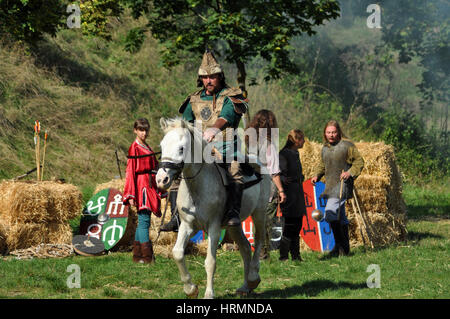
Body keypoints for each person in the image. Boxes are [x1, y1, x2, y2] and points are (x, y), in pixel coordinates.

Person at [179, 49, 249, 227]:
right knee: (177, 176)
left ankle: (233, 213)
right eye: (205, 77)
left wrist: (213, 130)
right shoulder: (193, 99)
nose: (208, 81)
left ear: (220, 76)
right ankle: (175, 217)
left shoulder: (231, 95)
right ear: (200, 79)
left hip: (227, 148)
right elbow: (185, 124)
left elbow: (226, 116)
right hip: (200, 151)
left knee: (235, 172)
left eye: (213, 76)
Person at [311, 120, 364, 257]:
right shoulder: (325, 148)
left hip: (342, 185)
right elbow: (322, 165)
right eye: (328, 132)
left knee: (330, 213)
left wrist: (349, 172)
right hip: (330, 185)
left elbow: (359, 162)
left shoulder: (347, 146)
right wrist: (317, 175)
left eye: (334, 132)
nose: (331, 135)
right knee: (341, 218)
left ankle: (340, 246)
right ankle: (343, 249)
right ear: (325, 133)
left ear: (338, 132)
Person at [245, 109, 286, 260]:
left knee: (257, 221)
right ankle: (263, 254)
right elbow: (274, 171)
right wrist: (281, 190)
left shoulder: (249, 142)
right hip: (267, 188)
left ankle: (259, 253)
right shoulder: (269, 145)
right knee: (266, 222)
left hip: (253, 186)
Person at [123, 118, 166, 264]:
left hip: (149, 184)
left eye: (146, 130)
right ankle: (147, 257)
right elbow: (130, 172)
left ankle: (138, 256)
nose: (144, 133)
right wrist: (130, 194)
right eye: (141, 130)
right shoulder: (134, 147)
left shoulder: (146, 146)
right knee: (144, 221)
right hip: (141, 186)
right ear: (135, 130)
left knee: (142, 221)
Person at [278, 129, 307, 261]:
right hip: (289, 193)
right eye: (301, 139)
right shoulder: (284, 154)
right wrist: (284, 180)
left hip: (297, 191)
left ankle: (296, 255)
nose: (304, 141)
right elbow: (278, 173)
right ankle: (283, 256)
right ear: (295, 140)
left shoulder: (295, 153)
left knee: (297, 224)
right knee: (290, 225)